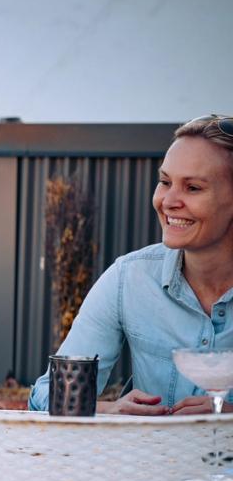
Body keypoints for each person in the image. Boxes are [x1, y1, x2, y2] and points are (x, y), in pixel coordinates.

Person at [29, 114, 233, 415]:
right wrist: (107, 410)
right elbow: (46, 396)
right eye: (165, 182)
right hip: (153, 461)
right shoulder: (129, 278)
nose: (168, 200)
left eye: (193, 188)